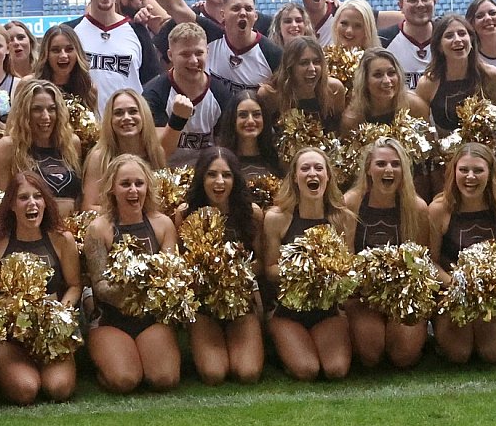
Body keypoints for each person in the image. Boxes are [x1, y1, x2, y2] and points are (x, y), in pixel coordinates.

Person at [0, 171, 83, 405]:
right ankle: (4, 369)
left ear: (46, 202)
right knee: (26, 390)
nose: (32, 203)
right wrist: (5, 309)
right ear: (12, 205)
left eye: (37, 196)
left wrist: (60, 314)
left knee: (59, 389)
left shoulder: (62, 238)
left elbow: (75, 285)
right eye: (23, 198)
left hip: (49, 331)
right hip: (7, 334)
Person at [83, 154, 181, 394]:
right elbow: (100, 286)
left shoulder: (163, 224)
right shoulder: (98, 229)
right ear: (112, 190)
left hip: (150, 319)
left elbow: (171, 276)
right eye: (125, 184)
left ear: (148, 186)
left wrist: (151, 293)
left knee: (164, 379)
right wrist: (136, 288)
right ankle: (105, 363)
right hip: (111, 319)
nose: (133, 191)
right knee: (124, 381)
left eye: (139, 183)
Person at [429, 143, 496, 365]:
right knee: (459, 354)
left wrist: (495, 285)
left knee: (494, 353)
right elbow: (431, 262)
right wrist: (457, 285)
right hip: (451, 293)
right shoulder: (438, 209)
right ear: (454, 172)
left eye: (478, 170)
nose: (470, 177)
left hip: (493, 293)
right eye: (463, 170)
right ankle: (437, 329)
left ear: (490, 173)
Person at [262, 147, 354, 381]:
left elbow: (349, 268)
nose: (312, 173)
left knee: (336, 371)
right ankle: (278, 344)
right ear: (295, 177)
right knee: (307, 371)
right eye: (305, 168)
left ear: (328, 176)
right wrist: (303, 270)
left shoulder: (342, 218)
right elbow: (270, 269)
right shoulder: (277, 218)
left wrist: (332, 275)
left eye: (318, 168)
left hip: (327, 312)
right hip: (287, 312)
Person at [177, 149, 265, 385]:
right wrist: (207, 275)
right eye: (211, 174)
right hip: (203, 305)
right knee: (214, 375)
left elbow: (261, 263)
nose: (219, 182)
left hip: (241, 303)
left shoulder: (252, 214)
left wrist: (232, 273)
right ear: (201, 179)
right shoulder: (185, 214)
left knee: (248, 374)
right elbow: (181, 263)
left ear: (235, 179)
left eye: (226, 175)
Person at [341, 137, 431, 369]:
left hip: (403, 295)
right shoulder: (351, 202)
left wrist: (395, 289)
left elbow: (420, 263)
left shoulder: (417, 207)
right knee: (371, 355)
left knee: (404, 356)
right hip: (362, 295)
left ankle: (421, 331)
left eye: (395, 164)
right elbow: (345, 256)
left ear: (404, 170)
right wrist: (369, 285)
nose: (388, 170)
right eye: (381, 164)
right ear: (368, 169)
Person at [69, 0, 162, 110]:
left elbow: (152, 82)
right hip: (85, 125)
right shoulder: (70, 32)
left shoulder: (137, 31)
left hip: (128, 123)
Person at [0, 80, 84, 215]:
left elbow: (79, 197)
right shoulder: (9, 146)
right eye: (37, 109)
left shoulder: (71, 143)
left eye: (51, 109)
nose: (46, 116)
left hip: (71, 230)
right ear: (24, 113)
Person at [145, 22, 235, 167]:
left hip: (205, 177)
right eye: (185, 54)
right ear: (170, 55)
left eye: (199, 53)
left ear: (207, 52)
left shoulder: (221, 95)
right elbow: (160, 153)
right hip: (165, 175)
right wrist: (177, 119)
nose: (193, 61)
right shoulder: (154, 94)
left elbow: (225, 152)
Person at [415, 14, 496, 138]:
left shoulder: (490, 75)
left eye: (462, 33)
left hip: (485, 154)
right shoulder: (427, 83)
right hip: (446, 156)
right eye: (449, 36)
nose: (457, 40)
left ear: (471, 40)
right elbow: (422, 129)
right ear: (439, 46)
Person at [82, 87, 167, 207]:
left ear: (144, 115)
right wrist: (127, 215)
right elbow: (88, 207)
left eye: (133, 111)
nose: (126, 117)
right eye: (118, 113)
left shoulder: (156, 152)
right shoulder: (99, 157)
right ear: (110, 120)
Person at [259, 37, 347, 135]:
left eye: (317, 62)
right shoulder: (270, 94)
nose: (312, 68)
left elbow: (339, 132)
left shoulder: (334, 89)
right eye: (304, 63)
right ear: (290, 67)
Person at [340, 48, 430, 134]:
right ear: (365, 80)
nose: (387, 81)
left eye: (391, 73)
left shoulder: (415, 106)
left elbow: (430, 146)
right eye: (378, 75)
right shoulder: (352, 118)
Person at [205, 0, 281, 89]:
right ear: (223, 14)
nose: (243, 13)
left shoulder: (272, 53)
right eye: (236, 8)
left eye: (248, 9)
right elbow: (180, 9)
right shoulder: (210, 38)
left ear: (255, 16)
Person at [217, 89, 283, 187]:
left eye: (256, 114)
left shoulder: (278, 158)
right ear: (233, 119)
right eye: (243, 115)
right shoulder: (220, 159)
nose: (251, 121)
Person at [382, 0, 439, 88]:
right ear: (401, 6)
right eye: (413, 0)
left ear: (434, 2)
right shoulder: (383, 41)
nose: (420, 4)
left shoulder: (449, 38)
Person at [34, 23, 98, 109]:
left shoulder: (89, 89)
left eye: (69, 49)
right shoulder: (28, 85)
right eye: (56, 50)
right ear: (46, 54)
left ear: (77, 53)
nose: (63, 55)